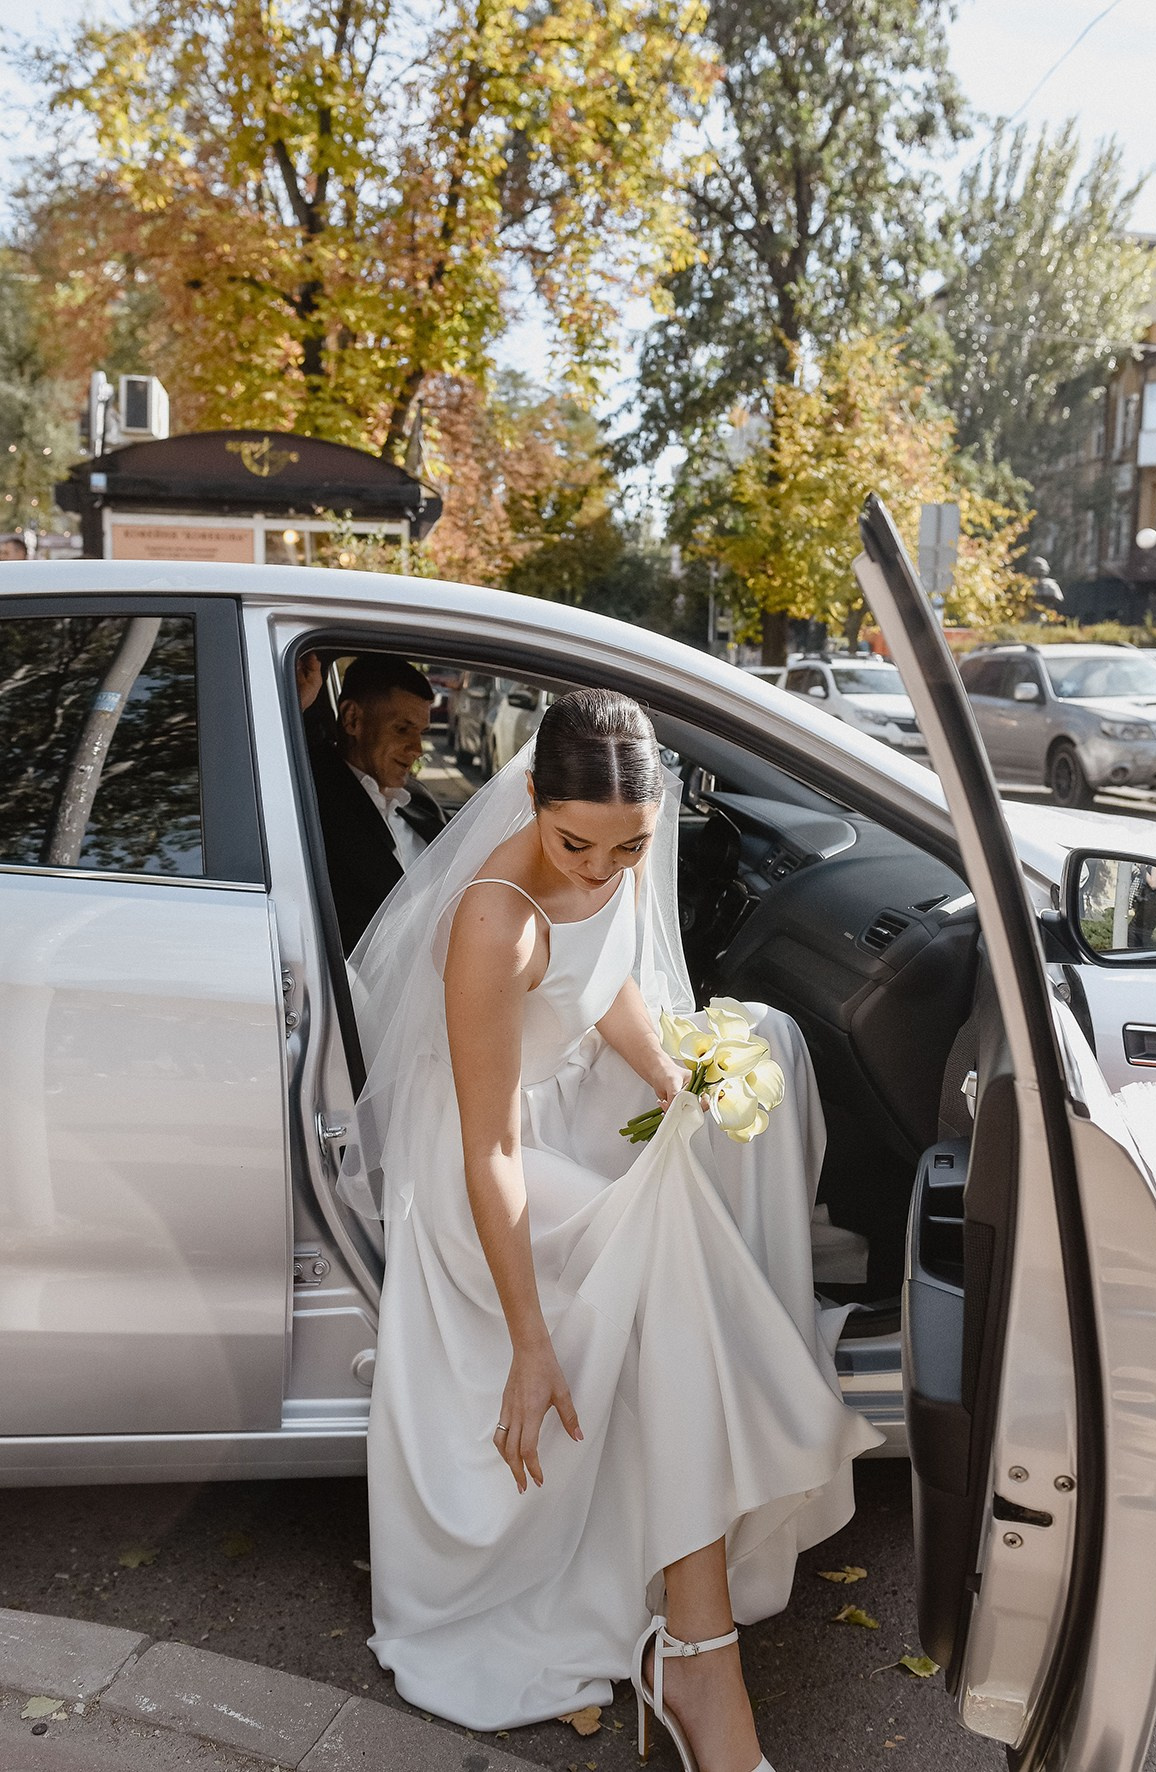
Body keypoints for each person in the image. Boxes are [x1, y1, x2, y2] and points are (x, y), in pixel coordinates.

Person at [341, 690, 880, 1770]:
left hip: (561, 1108)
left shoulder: (617, 859)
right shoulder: (492, 916)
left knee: (740, 1087)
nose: (598, 869)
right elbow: (485, 1152)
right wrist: (531, 1344)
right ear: (532, 798)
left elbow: (610, 977)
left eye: (628, 846)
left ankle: (694, 1641)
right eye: (573, 841)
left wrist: (675, 1077)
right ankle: (698, 1656)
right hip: (478, 1174)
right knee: (667, 1233)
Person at [309, 654, 445, 952]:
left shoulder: (419, 799)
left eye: (420, 732)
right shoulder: (311, 799)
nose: (418, 749)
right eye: (402, 729)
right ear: (352, 719)